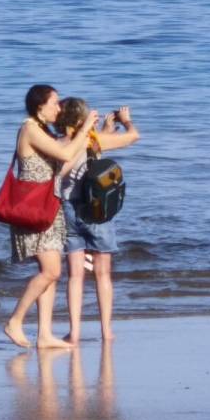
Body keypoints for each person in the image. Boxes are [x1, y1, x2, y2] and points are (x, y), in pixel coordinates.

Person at [3, 84, 97, 350]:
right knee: (51, 271)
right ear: (39, 106)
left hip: (49, 207)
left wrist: (84, 139)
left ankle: (44, 335)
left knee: (51, 273)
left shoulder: (44, 131)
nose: (59, 107)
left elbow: (59, 169)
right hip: (33, 208)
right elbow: (65, 153)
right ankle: (15, 321)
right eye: (55, 103)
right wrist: (85, 128)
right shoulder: (30, 129)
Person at [53, 98, 140, 343]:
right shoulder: (93, 141)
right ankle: (106, 331)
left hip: (68, 209)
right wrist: (126, 121)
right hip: (96, 211)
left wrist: (106, 129)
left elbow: (78, 158)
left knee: (75, 275)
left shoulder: (56, 144)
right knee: (102, 273)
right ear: (82, 120)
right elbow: (133, 136)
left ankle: (74, 332)